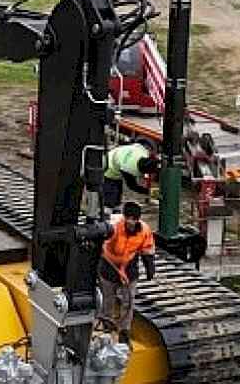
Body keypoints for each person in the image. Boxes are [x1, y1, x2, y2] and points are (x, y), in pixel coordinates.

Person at [97, 201, 157, 341]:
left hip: (129, 268)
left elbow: (147, 249)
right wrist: (118, 270)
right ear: (124, 217)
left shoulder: (144, 230)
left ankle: (124, 329)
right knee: (108, 298)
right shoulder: (113, 227)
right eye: (128, 218)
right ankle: (107, 323)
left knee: (128, 300)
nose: (131, 222)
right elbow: (103, 250)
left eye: (134, 219)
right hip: (108, 266)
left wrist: (149, 266)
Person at [103, 142, 160, 210]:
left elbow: (137, 145)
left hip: (115, 155)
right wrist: (154, 193)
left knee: (117, 197)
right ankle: (108, 214)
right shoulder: (129, 168)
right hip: (109, 171)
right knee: (110, 201)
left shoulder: (142, 152)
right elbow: (133, 186)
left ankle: (116, 209)